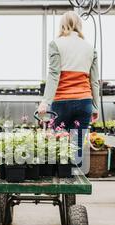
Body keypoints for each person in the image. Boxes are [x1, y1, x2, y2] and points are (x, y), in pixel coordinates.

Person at [37, 11, 100, 162]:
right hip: (84, 101)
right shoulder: (90, 48)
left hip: (61, 102)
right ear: (79, 25)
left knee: (58, 146)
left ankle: (60, 180)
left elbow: (53, 74)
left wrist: (45, 101)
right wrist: (95, 106)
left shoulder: (56, 44)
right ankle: (74, 178)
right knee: (76, 147)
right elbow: (94, 81)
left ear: (62, 25)